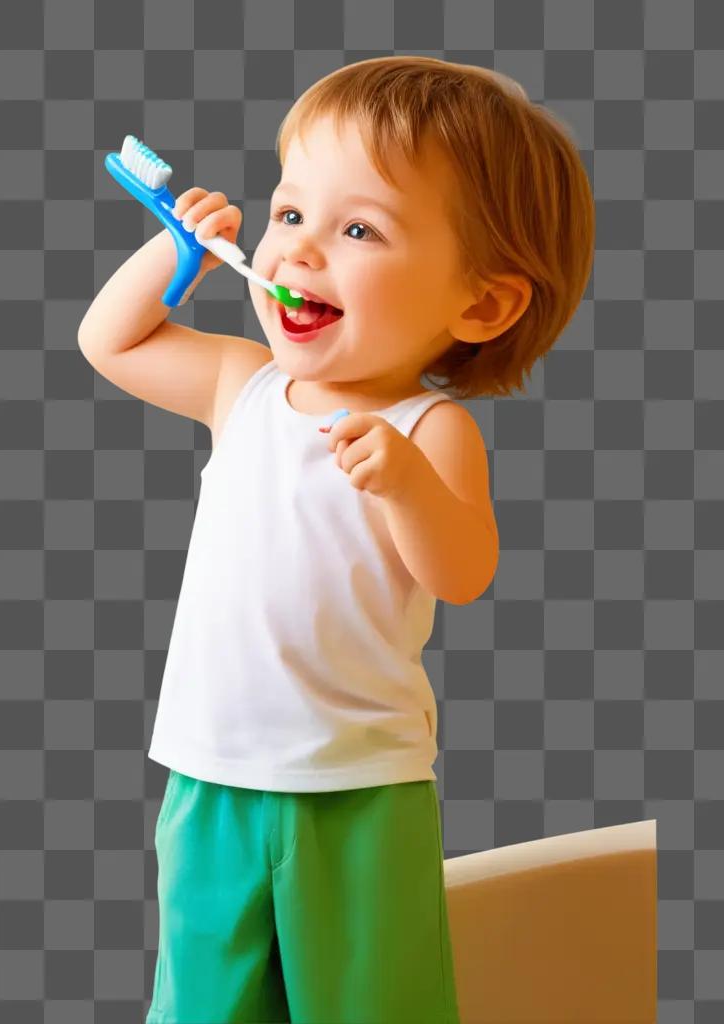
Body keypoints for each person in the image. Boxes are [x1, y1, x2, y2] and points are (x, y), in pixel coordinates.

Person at [79, 54, 594, 1024]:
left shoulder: (428, 430)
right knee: (203, 996)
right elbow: (110, 342)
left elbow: (464, 570)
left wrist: (405, 487)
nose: (299, 251)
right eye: (289, 215)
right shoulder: (243, 385)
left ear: (480, 304)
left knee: (370, 1001)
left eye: (357, 228)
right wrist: (175, 256)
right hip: (210, 770)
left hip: (356, 785)